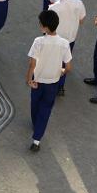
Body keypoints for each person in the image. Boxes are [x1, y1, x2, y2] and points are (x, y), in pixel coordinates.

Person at [26, 10, 73, 152]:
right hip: (53, 83)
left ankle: (36, 123)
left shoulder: (38, 41)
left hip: (37, 81)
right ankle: (37, 140)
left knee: (35, 105)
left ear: (45, 27)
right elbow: (68, 67)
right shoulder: (64, 44)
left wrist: (29, 79)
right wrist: (62, 71)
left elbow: (32, 64)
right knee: (46, 109)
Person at [48, 0, 86, 95]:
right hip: (70, 39)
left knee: (54, 62)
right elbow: (81, 19)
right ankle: (60, 86)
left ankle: (53, 85)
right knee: (65, 61)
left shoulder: (54, 7)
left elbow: (48, 28)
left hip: (56, 40)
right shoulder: (78, 3)